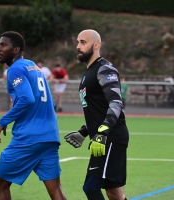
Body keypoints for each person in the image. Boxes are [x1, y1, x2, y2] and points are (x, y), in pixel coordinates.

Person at [0, 31, 66, 200]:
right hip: (49, 136)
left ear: (16, 49)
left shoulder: (15, 69)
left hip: (29, 137)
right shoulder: (33, 67)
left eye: (3, 45)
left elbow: (27, 98)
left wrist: (4, 120)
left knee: (0, 184)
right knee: (56, 190)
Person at [64, 29, 129, 200]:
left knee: (91, 187)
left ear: (96, 44)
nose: (78, 46)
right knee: (114, 192)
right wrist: (85, 131)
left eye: (83, 42)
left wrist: (102, 131)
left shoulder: (104, 69)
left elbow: (115, 103)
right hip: (102, 138)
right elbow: (100, 109)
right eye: (77, 42)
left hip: (110, 137)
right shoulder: (89, 72)